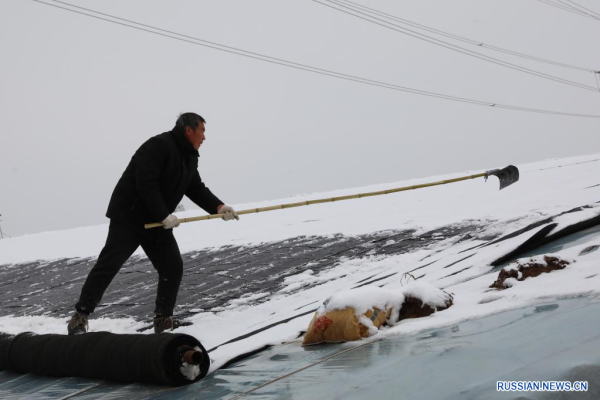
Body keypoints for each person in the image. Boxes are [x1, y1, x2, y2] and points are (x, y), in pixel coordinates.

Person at [67, 112, 238, 335]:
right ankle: (80, 317)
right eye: (202, 131)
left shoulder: (190, 156)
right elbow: (146, 184)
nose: (204, 137)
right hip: (129, 217)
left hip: (157, 223)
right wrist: (163, 215)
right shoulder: (158, 146)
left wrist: (218, 207)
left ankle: (163, 320)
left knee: (172, 266)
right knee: (109, 264)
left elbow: (195, 188)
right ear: (189, 130)